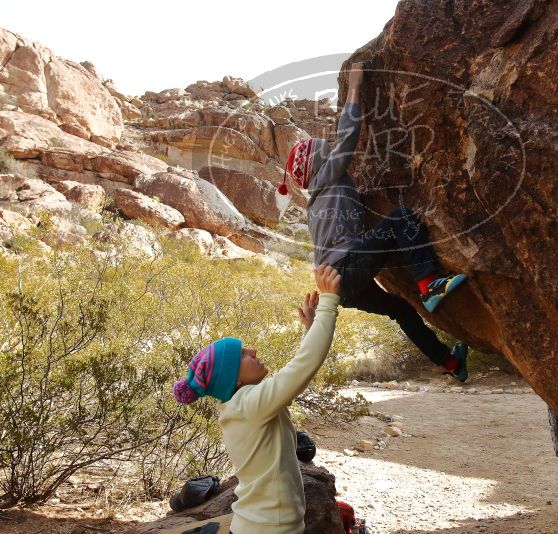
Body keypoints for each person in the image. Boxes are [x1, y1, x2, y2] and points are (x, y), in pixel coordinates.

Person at [278, 61, 470, 381]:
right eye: (321, 150)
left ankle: (451, 364)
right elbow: (348, 136)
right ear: (318, 162)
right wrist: (355, 87)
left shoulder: (318, 199)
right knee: (401, 218)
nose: (326, 147)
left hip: (339, 287)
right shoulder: (328, 174)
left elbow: (347, 219)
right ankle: (429, 284)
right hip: (346, 268)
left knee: (401, 311)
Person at [173, 265, 342, 534]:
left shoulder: (242, 404)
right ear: (233, 379)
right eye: (242, 355)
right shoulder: (249, 405)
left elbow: (297, 367)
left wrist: (311, 328)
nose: (252, 350)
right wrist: (329, 302)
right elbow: (303, 366)